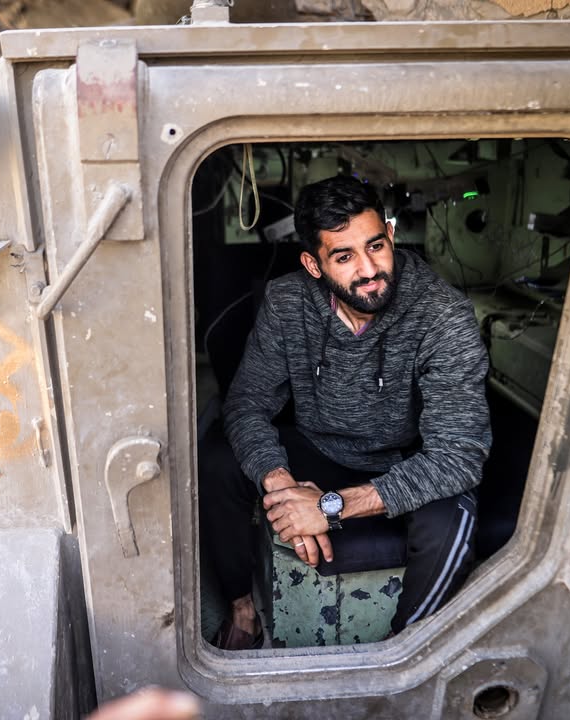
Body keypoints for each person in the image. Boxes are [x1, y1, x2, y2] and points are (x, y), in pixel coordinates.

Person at [200, 175, 491, 650]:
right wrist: (282, 487)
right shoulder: (288, 301)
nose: (369, 269)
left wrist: (326, 508)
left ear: (390, 235)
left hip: (400, 460)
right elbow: (247, 404)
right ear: (313, 265)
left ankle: (402, 650)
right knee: (216, 461)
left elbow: (458, 455)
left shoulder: (443, 314)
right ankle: (243, 608)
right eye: (344, 256)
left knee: (454, 516)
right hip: (317, 447)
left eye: (376, 245)